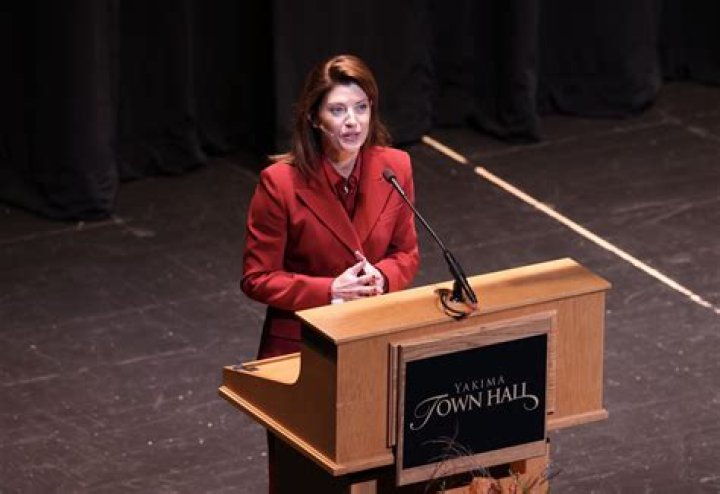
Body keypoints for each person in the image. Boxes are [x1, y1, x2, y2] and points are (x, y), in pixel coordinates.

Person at [241, 54, 420, 360]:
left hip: (373, 331)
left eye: (361, 107)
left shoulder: (396, 166)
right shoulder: (279, 183)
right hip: (305, 340)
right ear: (314, 118)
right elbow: (257, 278)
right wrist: (331, 290)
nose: (353, 121)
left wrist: (382, 276)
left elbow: (406, 254)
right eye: (337, 110)